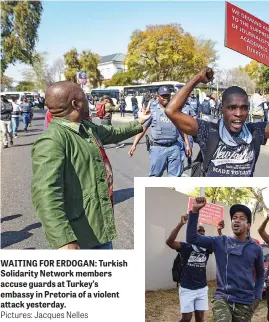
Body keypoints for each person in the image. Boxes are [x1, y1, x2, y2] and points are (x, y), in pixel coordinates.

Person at [31, 81, 151, 249]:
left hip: (98, 229)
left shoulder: (85, 127)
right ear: (76, 104)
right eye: (85, 97)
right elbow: (45, 194)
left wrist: (139, 122)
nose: (90, 101)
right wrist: (64, 240)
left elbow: (112, 133)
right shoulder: (52, 140)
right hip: (81, 238)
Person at [165, 60, 269, 177]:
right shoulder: (208, 131)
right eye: (232, 108)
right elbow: (171, 110)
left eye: (244, 108)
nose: (239, 113)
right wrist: (197, 79)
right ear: (221, 108)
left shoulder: (255, 132)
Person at [186, 198, 264, 322]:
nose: (236, 220)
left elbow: (260, 275)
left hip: (245, 302)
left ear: (248, 225)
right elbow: (191, 238)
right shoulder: (220, 242)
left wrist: (257, 299)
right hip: (222, 298)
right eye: (234, 218)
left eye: (242, 218)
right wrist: (194, 211)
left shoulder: (256, 248)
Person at [128, 86, 190, 177]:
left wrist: (187, 144)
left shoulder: (175, 110)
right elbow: (143, 128)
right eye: (163, 96)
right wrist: (134, 144)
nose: (165, 98)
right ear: (158, 96)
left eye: (167, 96)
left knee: (175, 177)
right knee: (155, 176)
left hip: (174, 147)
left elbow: (181, 129)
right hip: (158, 148)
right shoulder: (153, 111)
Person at [166, 215, 214, 322]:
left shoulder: (207, 248)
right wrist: (181, 224)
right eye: (198, 230)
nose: (201, 233)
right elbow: (169, 242)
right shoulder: (185, 247)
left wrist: (220, 231)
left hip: (202, 288)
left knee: (200, 317)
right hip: (187, 288)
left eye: (203, 231)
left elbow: (221, 245)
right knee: (187, 318)